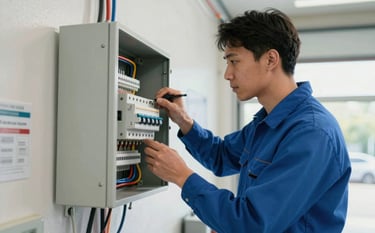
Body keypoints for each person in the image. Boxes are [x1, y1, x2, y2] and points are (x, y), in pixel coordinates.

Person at [143, 8, 351, 233]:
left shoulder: (311, 133)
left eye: (234, 61)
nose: (227, 74)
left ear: (270, 59)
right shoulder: (268, 123)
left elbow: (251, 223)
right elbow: (221, 156)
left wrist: (182, 176)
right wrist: (184, 121)